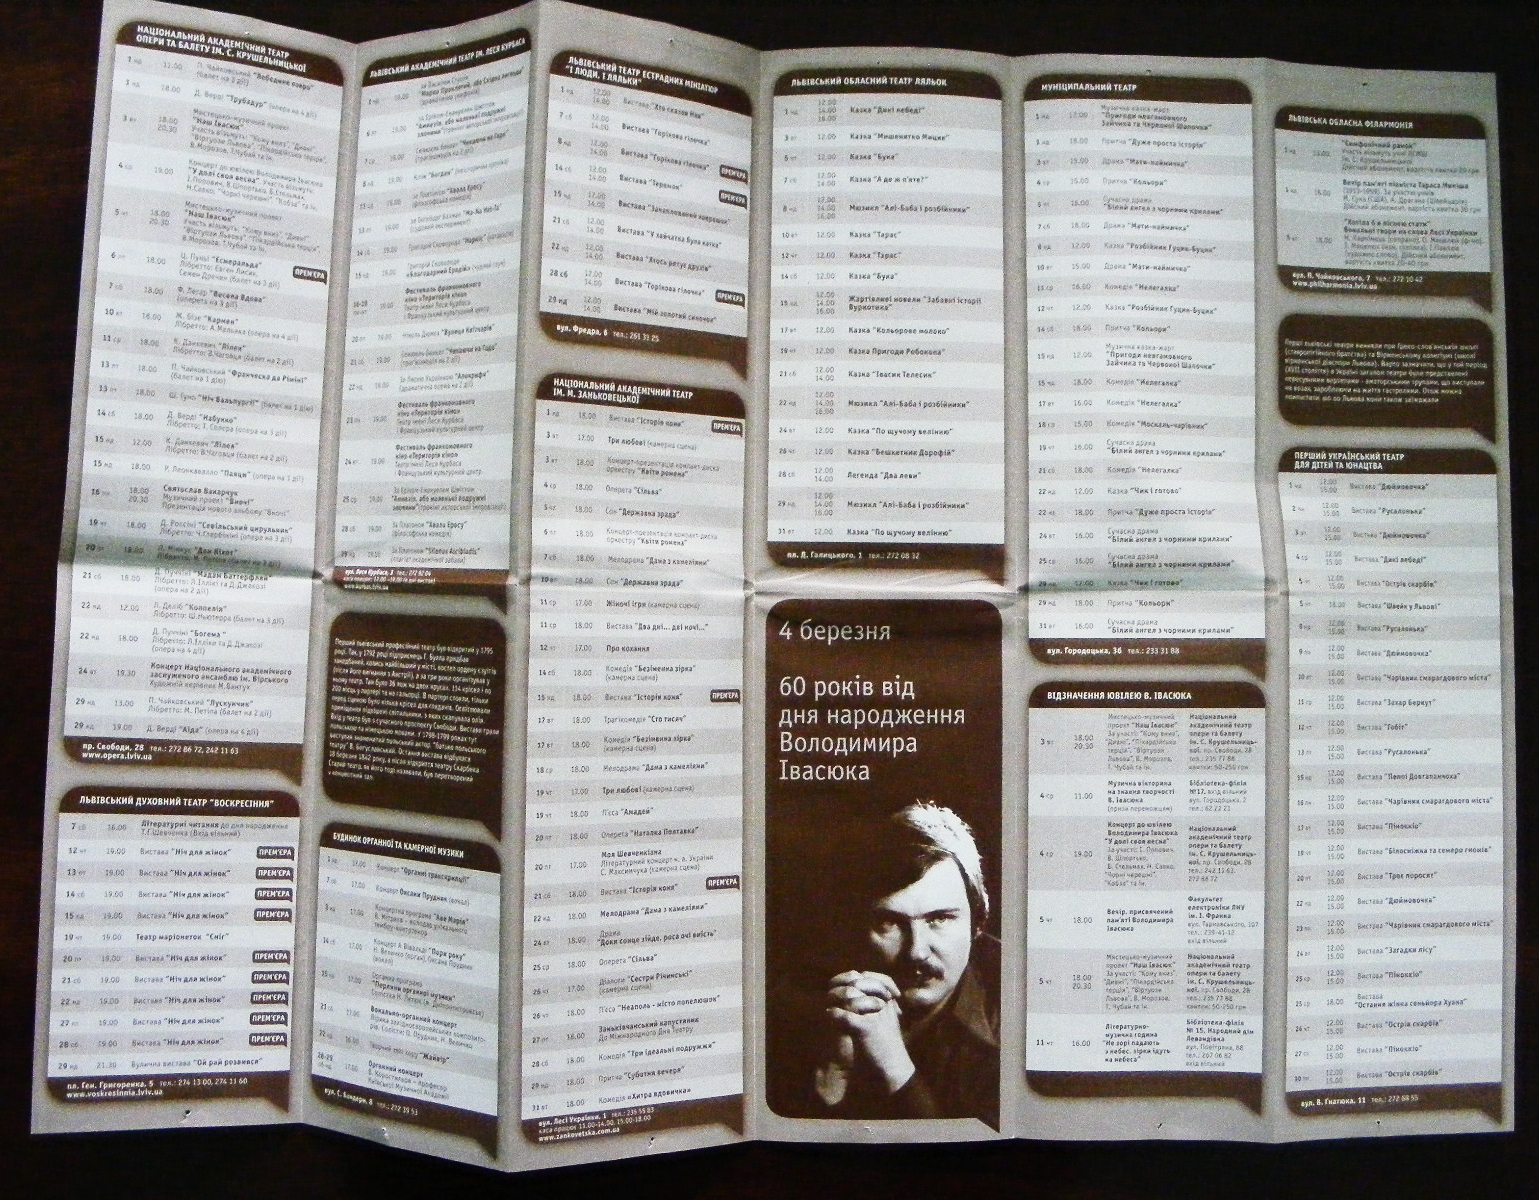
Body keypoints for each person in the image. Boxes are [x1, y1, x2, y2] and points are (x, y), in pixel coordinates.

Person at [769, 801, 999, 1125]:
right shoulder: (792, 999)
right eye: (889, 923)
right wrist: (834, 1072)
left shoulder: (1021, 1010)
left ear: (978, 923)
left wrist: (894, 1065)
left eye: (940, 919)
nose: (916, 952)